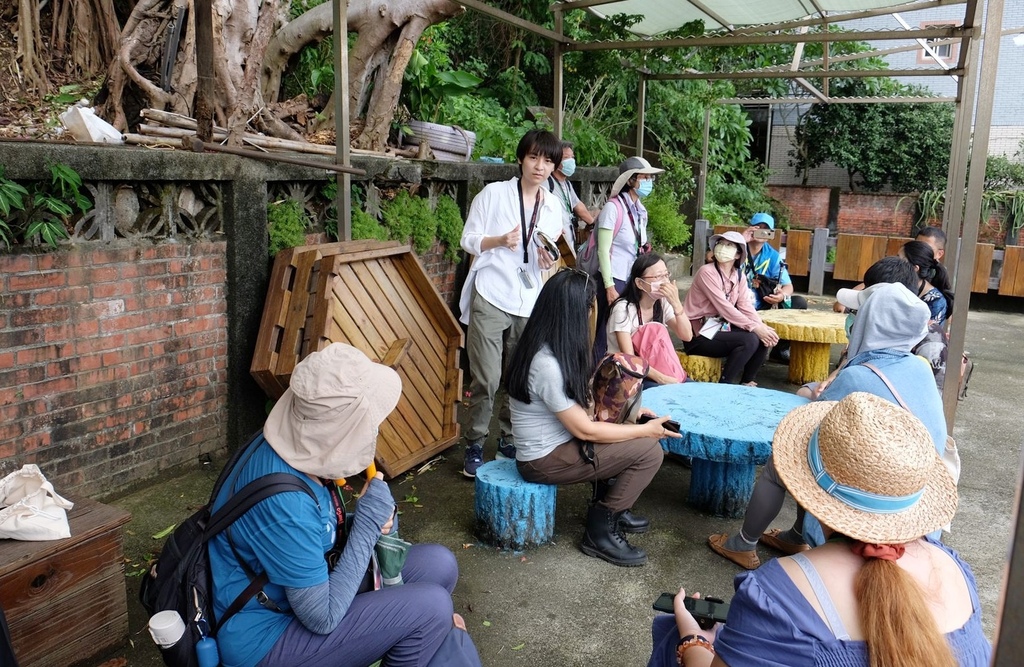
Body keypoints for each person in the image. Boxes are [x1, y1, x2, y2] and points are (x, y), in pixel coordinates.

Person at [650, 392, 990, 667]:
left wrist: (691, 638)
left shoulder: (776, 593)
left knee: (672, 638)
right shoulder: (955, 571)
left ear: (810, 486)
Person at [208, 343, 482, 667]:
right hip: (265, 635)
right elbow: (321, 617)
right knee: (433, 608)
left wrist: (371, 519)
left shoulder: (296, 447)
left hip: (302, 588)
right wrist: (366, 525)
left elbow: (315, 532)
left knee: (440, 564)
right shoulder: (286, 502)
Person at [708, 281, 947, 569]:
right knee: (817, 452)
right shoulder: (919, 367)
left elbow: (818, 423)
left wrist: (811, 391)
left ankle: (743, 544)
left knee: (785, 460)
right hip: (913, 497)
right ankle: (796, 535)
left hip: (866, 499)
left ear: (870, 323)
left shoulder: (858, 376)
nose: (851, 319)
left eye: (857, 314)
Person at [505, 268, 679, 567]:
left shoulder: (548, 347)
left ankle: (616, 507)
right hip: (543, 460)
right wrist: (646, 431)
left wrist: (633, 416)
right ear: (575, 312)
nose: (592, 314)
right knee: (650, 451)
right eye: (590, 306)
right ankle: (600, 529)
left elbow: (583, 409)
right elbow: (585, 430)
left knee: (629, 426)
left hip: (560, 443)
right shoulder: (546, 363)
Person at [457, 129, 564, 478]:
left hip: (529, 298)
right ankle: (474, 442)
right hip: (491, 292)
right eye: (534, 157)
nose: (540, 166)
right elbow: (468, 239)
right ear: (521, 159)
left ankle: (508, 437)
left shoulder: (553, 206)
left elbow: (552, 252)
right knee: (487, 376)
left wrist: (549, 260)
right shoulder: (493, 195)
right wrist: (498, 240)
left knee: (519, 376)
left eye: (548, 160)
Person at [681, 231, 778, 386]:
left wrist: (760, 326)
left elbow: (745, 305)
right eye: (720, 243)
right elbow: (725, 308)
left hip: (715, 326)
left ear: (738, 254)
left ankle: (747, 381)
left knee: (762, 338)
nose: (722, 247)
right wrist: (754, 327)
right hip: (697, 334)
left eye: (729, 245)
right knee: (749, 339)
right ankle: (726, 384)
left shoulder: (739, 276)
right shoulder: (707, 272)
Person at [591, 156, 665, 362]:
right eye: (644, 177)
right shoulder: (612, 208)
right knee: (603, 332)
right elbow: (603, 250)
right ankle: (594, 377)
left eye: (650, 177)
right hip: (613, 279)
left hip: (631, 277)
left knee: (625, 327)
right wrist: (609, 286)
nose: (649, 182)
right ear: (631, 180)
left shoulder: (641, 211)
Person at [607, 253, 693, 386]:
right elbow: (630, 359)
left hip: (656, 366)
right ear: (640, 283)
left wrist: (676, 303)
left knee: (694, 389)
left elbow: (687, 336)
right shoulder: (623, 309)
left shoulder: (662, 302)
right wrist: (663, 379)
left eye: (666, 275)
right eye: (658, 276)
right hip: (628, 374)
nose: (665, 281)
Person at [742, 212, 807, 364]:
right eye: (758, 227)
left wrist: (781, 295)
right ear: (750, 228)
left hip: (763, 302)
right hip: (738, 302)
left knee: (799, 303)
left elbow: (788, 285)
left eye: (766, 229)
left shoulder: (773, 255)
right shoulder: (737, 248)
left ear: (771, 233)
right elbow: (712, 256)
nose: (762, 232)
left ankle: (780, 350)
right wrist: (741, 238)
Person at [543, 141, 596, 246]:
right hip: (554, 242)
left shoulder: (567, 184)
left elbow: (578, 206)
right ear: (555, 160)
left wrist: (593, 223)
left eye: (572, 157)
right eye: (566, 157)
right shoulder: (546, 182)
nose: (571, 161)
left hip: (568, 242)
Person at [900, 239, 954, 327]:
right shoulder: (895, 284)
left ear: (915, 268)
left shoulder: (936, 301)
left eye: (900, 259)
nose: (895, 263)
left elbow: (930, 336)